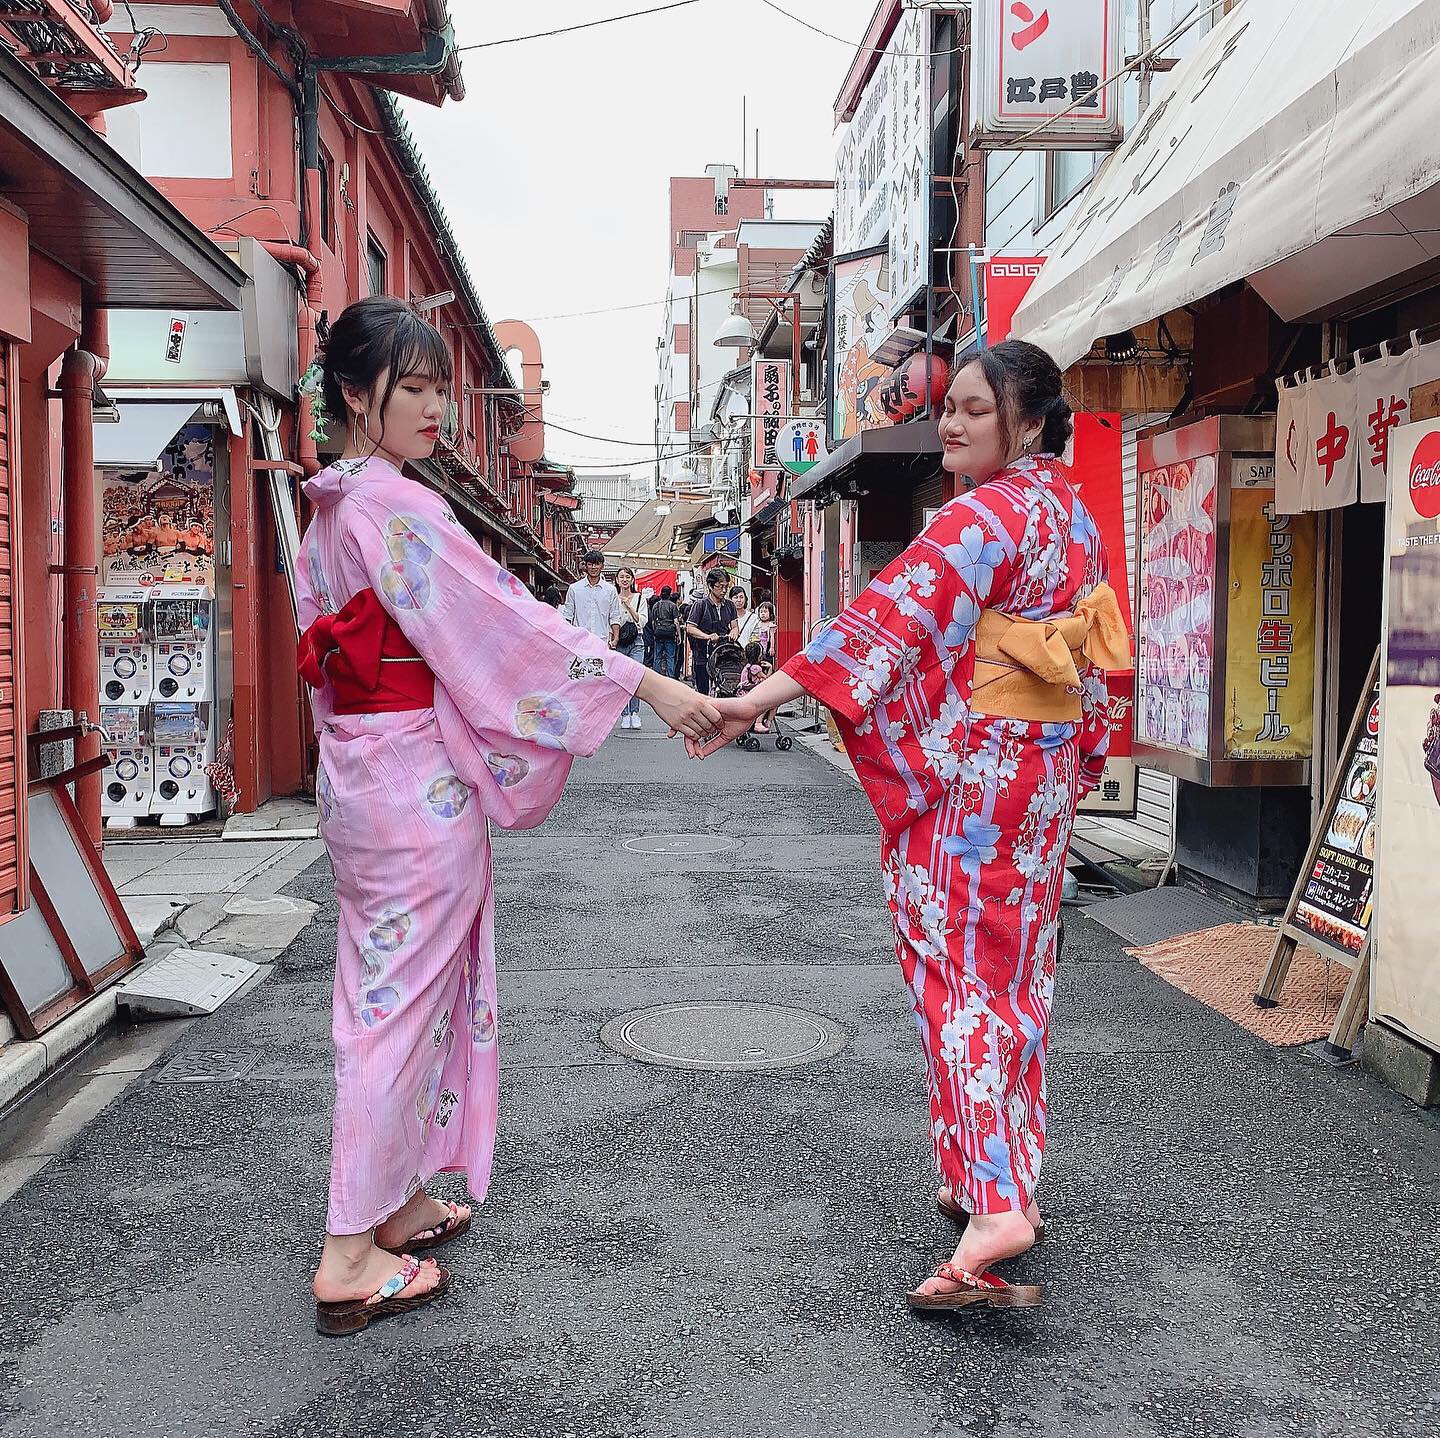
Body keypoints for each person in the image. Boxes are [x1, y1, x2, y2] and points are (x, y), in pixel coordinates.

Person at [294, 295, 722, 1336]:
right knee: (393, 1009)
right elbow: (503, 625)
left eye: (444, 384)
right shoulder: (395, 508)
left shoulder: (333, 503)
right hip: (408, 791)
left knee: (389, 990)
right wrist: (644, 683)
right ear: (357, 394)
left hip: (364, 775)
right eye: (418, 384)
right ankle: (349, 1253)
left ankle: (390, 1203)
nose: (439, 403)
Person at [694, 340, 1128, 1312]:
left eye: (976, 408)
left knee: (958, 975)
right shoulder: (1074, 515)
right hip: (1042, 774)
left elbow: (884, 623)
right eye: (951, 407)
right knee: (1015, 978)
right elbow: (1091, 654)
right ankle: (997, 1171)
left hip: (978, 785)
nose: (953, 423)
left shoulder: (981, 517)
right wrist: (1084, 758)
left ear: (1026, 418)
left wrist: (757, 698)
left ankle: (997, 1207)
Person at [685, 569, 739, 696]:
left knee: (725, 691)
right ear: (710, 586)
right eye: (720, 587)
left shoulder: (730, 606)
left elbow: (735, 626)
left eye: (726, 587)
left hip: (724, 656)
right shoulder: (700, 605)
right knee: (703, 693)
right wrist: (707, 636)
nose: (724, 590)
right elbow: (690, 628)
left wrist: (734, 632)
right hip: (703, 654)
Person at [563, 551, 622, 647]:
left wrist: (615, 639)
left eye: (597, 564)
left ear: (602, 566)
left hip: (602, 641)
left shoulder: (610, 590)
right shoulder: (574, 589)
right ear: (585, 566)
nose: (593, 567)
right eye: (590, 564)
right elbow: (568, 615)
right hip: (580, 641)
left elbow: (614, 616)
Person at [614, 566, 649, 729]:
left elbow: (642, 621)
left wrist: (628, 607)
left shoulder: (640, 598)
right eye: (621, 577)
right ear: (616, 580)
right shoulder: (613, 597)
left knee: (635, 677)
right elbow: (611, 620)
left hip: (637, 640)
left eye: (627, 577)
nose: (624, 579)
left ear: (632, 580)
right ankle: (624, 714)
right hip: (619, 640)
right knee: (621, 679)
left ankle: (635, 712)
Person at [648, 584, 683, 679]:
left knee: (657, 656)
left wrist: (655, 631)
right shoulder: (672, 605)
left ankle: (656, 677)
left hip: (658, 633)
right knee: (670, 657)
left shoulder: (656, 605)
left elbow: (653, 621)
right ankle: (670, 677)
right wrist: (679, 635)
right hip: (670, 634)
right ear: (669, 594)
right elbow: (676, 622)